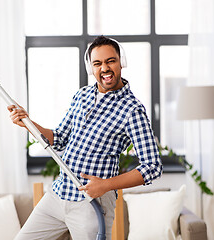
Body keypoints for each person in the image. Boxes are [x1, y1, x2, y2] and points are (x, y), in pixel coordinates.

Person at [8, 35, 163, 240]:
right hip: (59, 194)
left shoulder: (132, 110)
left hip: (91, 204)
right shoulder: (81, 96)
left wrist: (106, 185)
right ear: (91, 67)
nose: (105, 68)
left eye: (111, 61)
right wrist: (28, 122)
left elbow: (153, 166)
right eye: (98, 63)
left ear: (121, 62)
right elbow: (59, 138)